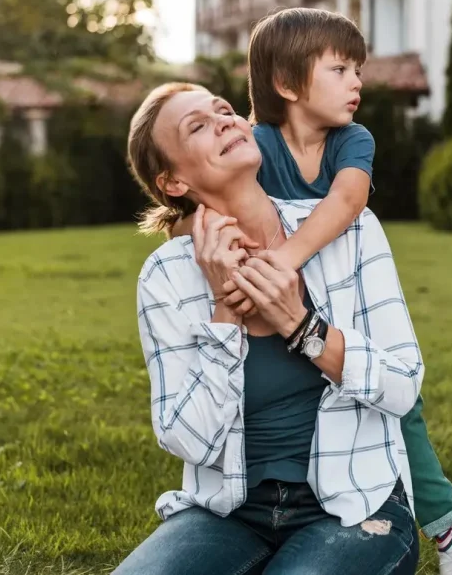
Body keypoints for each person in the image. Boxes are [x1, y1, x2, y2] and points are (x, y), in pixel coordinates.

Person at [175, 7, 452, 575]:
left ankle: (448, 526)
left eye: (358, 70)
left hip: (345, 305)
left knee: (398, 394)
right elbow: (203, 201)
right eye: (340, 68)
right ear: (287, 84)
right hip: (266, 323)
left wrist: (283, 261)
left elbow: (350, 201)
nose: (357, 83)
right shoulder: (255, 143)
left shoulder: (353, 140)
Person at [115, 81, 422, 574]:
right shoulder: (166, 275)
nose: (224, 120)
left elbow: (403, 385)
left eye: (225, 110)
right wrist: (224, 314)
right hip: (229, 512)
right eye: (197, 125)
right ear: (172, 182)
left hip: (354, 507)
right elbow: (187, 439)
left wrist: (301, 327)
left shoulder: (352, 231)